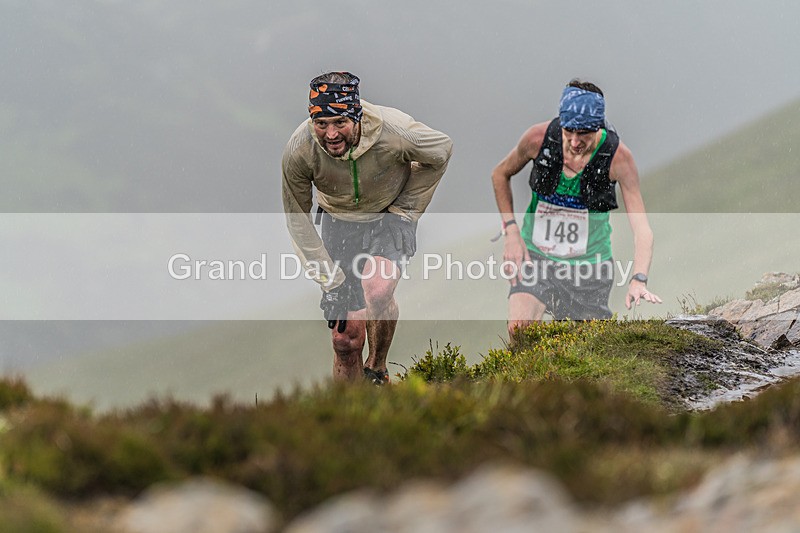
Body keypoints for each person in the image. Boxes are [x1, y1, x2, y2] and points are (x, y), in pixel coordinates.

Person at [282, 72, 452, 384]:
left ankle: (376, 369)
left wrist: (406, 211)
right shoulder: (300, 149)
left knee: (378, 288)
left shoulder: (394, 130)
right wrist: (330, 283)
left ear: (357, 115)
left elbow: (440, 151)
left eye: (340, 123)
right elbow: (298, 220)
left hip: (389, 216)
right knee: (345, 341)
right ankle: (348, 415)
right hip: (338, 223)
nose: (331, 134)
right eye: (322, 124)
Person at [491, 79, 662, 338]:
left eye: (583, 134)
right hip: (536, 256)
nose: (574, 141)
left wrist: (639, 279)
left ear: (598, 127)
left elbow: (642, 230)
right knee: (519, 331)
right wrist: (511, 232)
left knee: (589, 348)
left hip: (590, 267)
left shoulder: (618, 158)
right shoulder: (538, 139)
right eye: (568, 131)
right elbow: (500, 174)